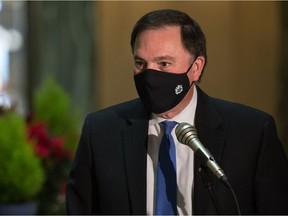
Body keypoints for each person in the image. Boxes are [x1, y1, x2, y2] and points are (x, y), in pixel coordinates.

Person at [66, 9, 288, 215]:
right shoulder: (101, 131)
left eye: (163, 63)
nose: (149, 75)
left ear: (196, 68)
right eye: (140, 63)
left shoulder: (252, 133)